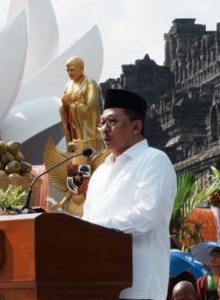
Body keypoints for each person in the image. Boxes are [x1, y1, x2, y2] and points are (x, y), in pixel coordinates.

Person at [82, 89, 177, 300]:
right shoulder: (100, 173)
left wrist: (91, 229)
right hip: (101, 284)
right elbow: (87, 220)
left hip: (141, 285)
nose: (104, 130)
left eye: (112, 121)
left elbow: (146, 216)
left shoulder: (154, 160)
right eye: (102, 123)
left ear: (136, 126)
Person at [59, 56, 104, 152]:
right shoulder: (68, 86)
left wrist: (72, 106)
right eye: (67, 70)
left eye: (72, 70)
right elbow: (64, 108)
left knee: (89, 155)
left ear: (82, 68)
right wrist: (65, 107)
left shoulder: (89, 83)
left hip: (88, 130)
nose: (69, 73)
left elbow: (92, 108)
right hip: (74, 129)